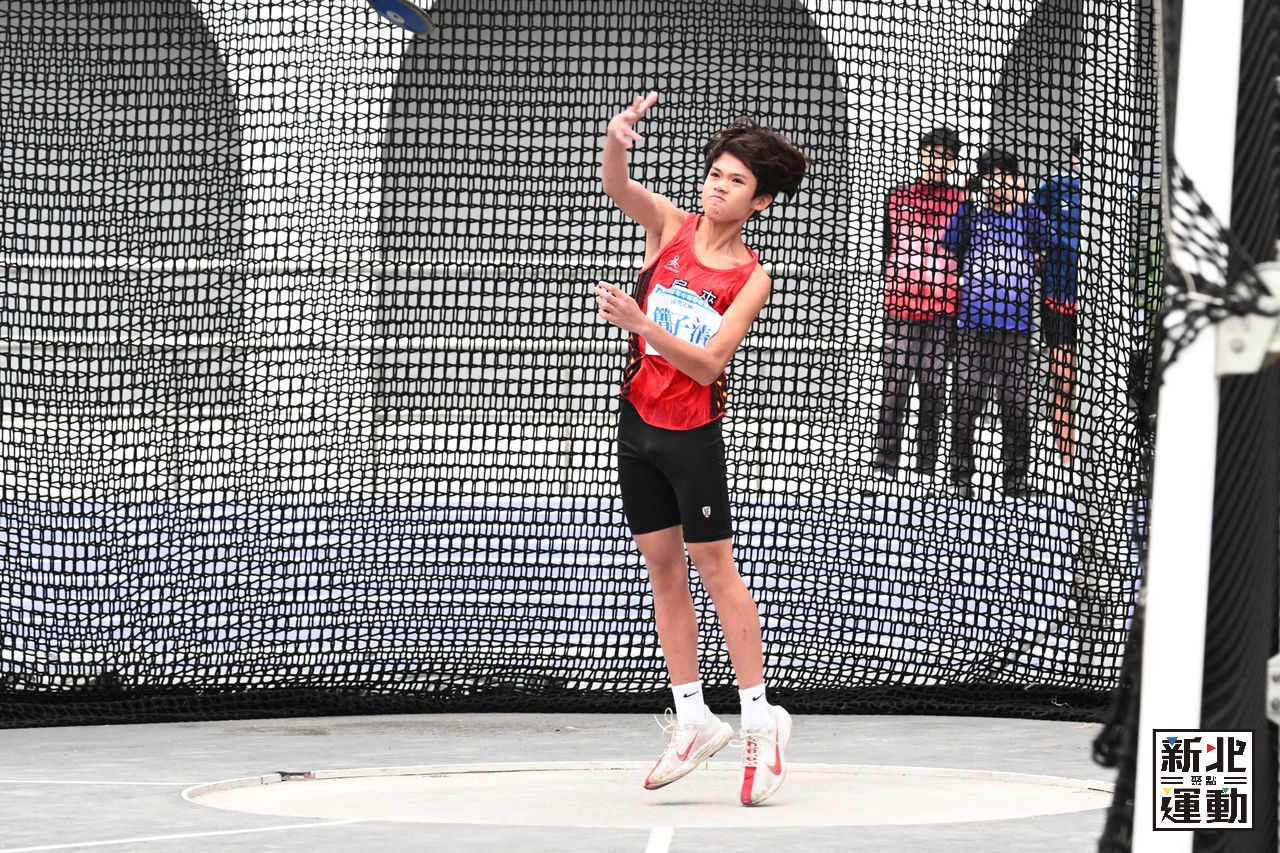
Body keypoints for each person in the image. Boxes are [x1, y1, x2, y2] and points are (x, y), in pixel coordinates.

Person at [592, 92, 808, 806]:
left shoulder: (751, 277)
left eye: (736, 181)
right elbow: (617, 184)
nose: (719, 186)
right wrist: (616, 139)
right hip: (637, 426)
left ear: (760, 201)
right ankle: (692, 718)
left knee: (716, 568)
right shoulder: (672, 226)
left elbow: (710, 365)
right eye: (715, 173)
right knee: (663, 568)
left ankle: (760, 723)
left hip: (691, 436)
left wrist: (642, 325)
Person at [944, 150, 1060, 499]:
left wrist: (1025, 202)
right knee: (965, 401)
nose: (997, 184)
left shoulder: (1027, 215)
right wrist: (967, 199)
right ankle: (960, 477)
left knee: (1016, 405)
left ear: (1014, 179)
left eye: (1003, 176)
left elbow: (1051, 241)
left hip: (1016, 328)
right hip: (972, 325)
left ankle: (1016, 478)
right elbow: (950, 243)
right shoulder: (974, 213)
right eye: (990, 177)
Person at [875, 127, 967, 480]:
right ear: (921, 154)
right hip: (900, 307)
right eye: (932, 153)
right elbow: (889, 246)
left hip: (944, 309)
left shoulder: (961, 201)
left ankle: (926, 469)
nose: (938, 161)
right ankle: (885, 466)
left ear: (953, 161)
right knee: (895, 387)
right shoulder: (896, 197)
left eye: (946, 156)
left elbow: (964, 250)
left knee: (933, 388)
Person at [1034, 139, 1084, 467]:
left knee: (1095, 387)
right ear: (1075, 157)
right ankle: (1067, 464)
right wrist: (1039, 255)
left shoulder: (1119, 191)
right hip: (1059, 300)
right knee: (1064, 382)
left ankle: (1090, 461)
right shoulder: (1054, 187)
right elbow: (1030, 221)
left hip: (1102, 307)